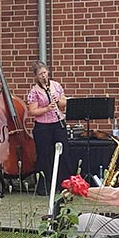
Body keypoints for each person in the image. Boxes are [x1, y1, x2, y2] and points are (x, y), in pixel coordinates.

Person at [27, 61, 72, 195]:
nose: (43, 76)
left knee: (63, 153)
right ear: (36, 76)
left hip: (58, 123)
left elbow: (64, 103)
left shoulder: (56, 85)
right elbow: (32, 111)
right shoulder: (34, 91)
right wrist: (46, 108)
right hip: (43, 127)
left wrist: (58, 100)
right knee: (44, 155)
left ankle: (64, 185)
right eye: (40, 74)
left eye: (45, 72)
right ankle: (44, 187)